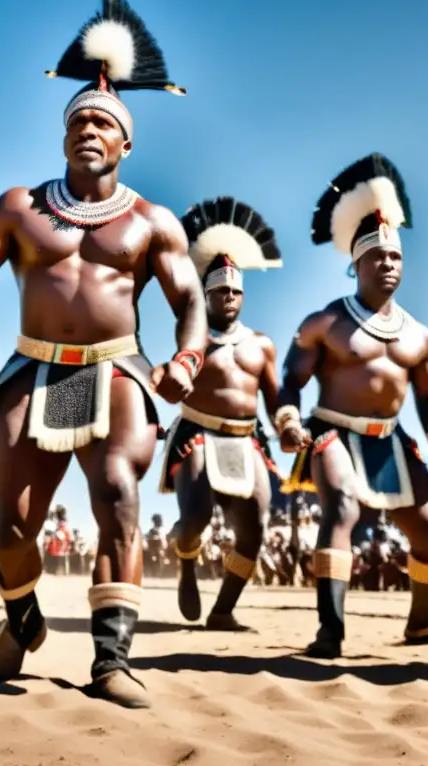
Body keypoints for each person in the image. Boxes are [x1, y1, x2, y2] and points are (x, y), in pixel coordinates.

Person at [0, 0, 204, 709]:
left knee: (117, 491)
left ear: (125, 145)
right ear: (64, 136)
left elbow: (191, 304)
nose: (91, 129)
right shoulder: (19, 208)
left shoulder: (153, 221)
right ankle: (23, 620)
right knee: (15, 526)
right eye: (80, 121)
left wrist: (185, 361)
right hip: (33, 365)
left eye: (105, 124)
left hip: (118, 365)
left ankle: (112, 657)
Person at [277, 153, 428, 658]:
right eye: (377, 257)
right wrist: (289, 419)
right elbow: (290, 381)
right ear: (355, 264)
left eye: (396, 257)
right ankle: (330, 631)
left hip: (391, 440)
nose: (388, 264)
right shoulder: (324, 323)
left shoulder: (419, 336)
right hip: (333, 430)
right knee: (342, 506)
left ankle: (422, 624)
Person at [161, 196, 284, 631]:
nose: (229, 297)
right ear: (206, 293)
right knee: (194, 519)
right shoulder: (193, 335)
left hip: (246, 438)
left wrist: (288, 422)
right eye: (219, 290)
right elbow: (176, 374)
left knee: (254, 529)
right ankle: (187, 565)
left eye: (235, 290)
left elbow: (276, 395)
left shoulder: (262, 344)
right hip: (197, 432)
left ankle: (224, 609)